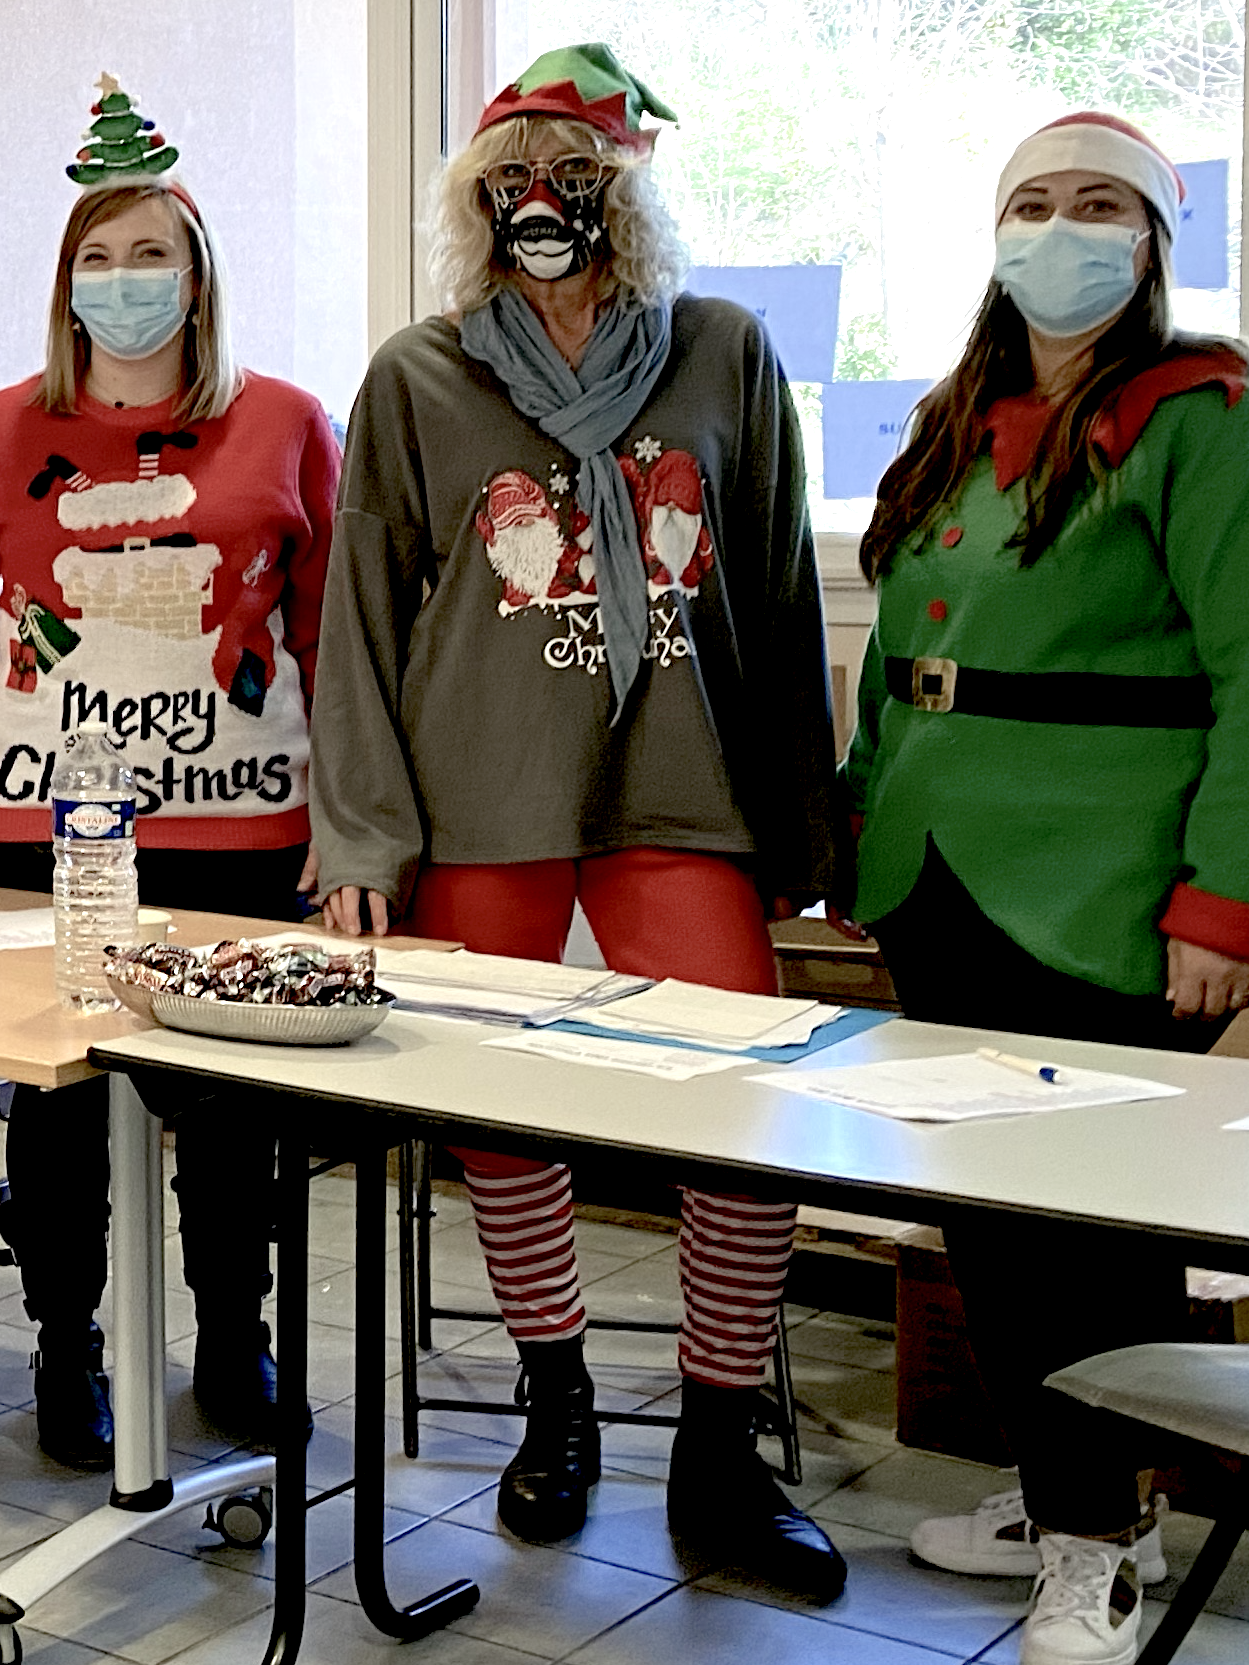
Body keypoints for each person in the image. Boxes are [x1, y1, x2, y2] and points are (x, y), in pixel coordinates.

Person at [308, 44, 849, 1597]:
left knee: (747, 1108)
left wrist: (805, 827)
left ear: (629, 194)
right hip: (481, 784)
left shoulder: (723, 350)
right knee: (502, 1112)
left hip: (679, 788)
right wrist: (361, 837)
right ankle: (557, 1398)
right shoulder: (420, 373)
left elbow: (774, 591)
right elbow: (362, 615)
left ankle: (718, 1438)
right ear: (476, 206)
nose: (544, 208)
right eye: (511, 185)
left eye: (577, 179)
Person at [0, 74, 338, 1469]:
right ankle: (64, 1349)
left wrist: (361, 825)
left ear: (200, 277)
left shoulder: (291, 421)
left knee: (234, 1110)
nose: (126, 284)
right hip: (52, 823)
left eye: (153, 256)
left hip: (247, 822)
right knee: (60, 1111)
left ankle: (231, 1340)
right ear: (66, 285)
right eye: (99, 259)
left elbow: (330, 634)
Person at [845, 113, 1249, 1665]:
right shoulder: (964, 415)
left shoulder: (1202, 417)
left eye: (1100, 207)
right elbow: (902, 654)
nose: (1061, 231)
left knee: (1092, 1229)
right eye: (1032, 203)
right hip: (935, 876)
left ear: (1154, 242)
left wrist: (1228, 906)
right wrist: (855, 817)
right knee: (995, 1225)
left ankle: (1099, 1543)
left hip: (1105, 889)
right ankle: (1060, 1488)